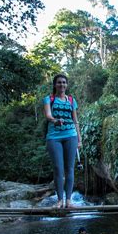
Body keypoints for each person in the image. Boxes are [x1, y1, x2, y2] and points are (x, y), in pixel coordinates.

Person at [43, 74, 82, 208]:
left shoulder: (71, 100)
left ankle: (69, 201)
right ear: (55, 85)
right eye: (59, 82)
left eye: (64, 82)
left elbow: (75, 120)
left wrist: (79, 138)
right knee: (58, 169)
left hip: (71, 135)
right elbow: (48, 115)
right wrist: (55, 121)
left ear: (67, 85)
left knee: (69, 169)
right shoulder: (49, 99)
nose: (62, 85)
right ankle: (60, 200)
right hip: (54, 137)